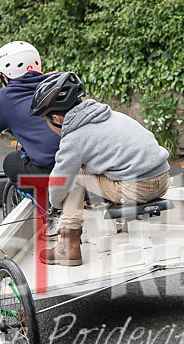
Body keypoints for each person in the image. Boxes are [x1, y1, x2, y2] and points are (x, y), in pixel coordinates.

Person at [29, 71, 171, 266]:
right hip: (163, 177)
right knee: (96, 166)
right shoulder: (109, 115)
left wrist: (55, 205)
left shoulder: (73, 139)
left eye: (46, 121)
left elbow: (59, 182)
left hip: (137, 188)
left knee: (76, 175)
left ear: (56, 118)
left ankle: (67, 246)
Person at [0, 41, 60, 187]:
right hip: (81, 160)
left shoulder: (5, 98)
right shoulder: (61, 82)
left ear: (5, 76)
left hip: (53, 171)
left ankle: (49, 205)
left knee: (11, 162)